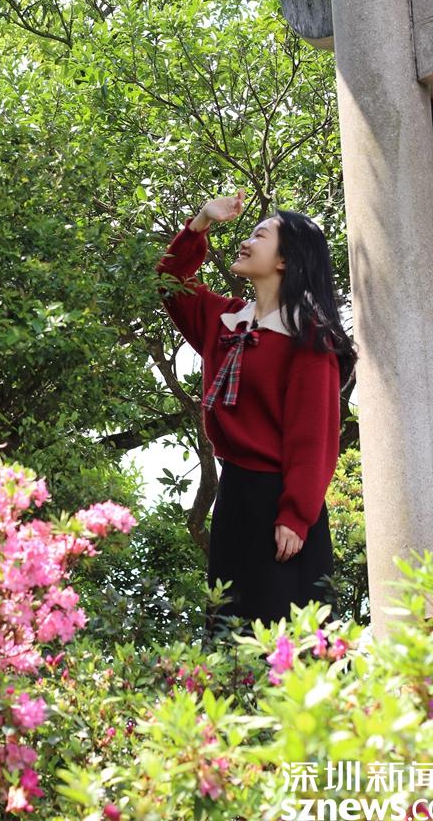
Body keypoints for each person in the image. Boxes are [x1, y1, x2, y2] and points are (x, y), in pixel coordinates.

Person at [155, 189, 359, 637]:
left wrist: (296, 515)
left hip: (281, 504)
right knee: (230, 635)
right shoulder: (226, 320)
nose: (246, 242)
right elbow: (170, 281)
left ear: (285, 260)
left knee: (286, 639)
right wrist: (201, 222)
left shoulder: (309, 340)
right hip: (234, 499)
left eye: (259, 235)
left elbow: (314, 438)